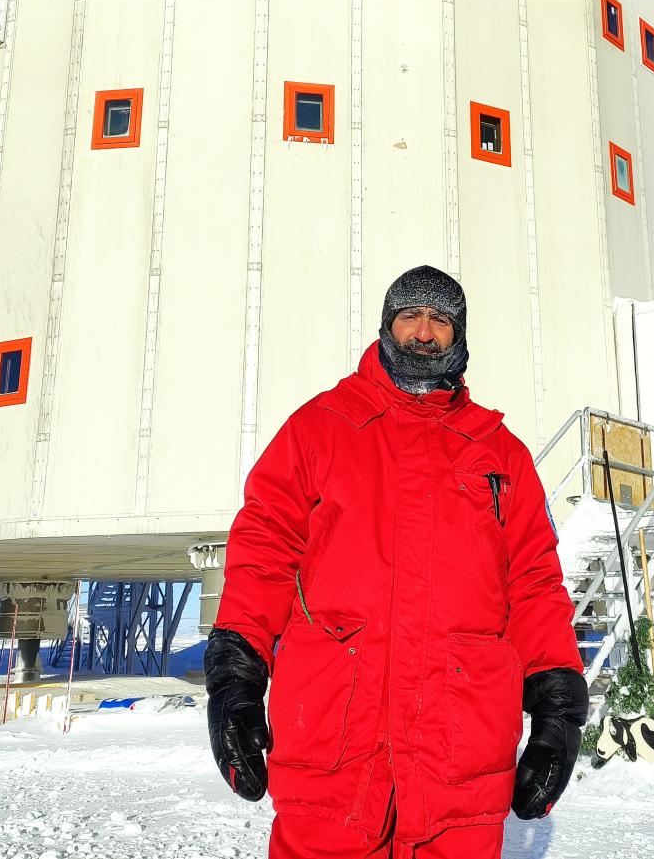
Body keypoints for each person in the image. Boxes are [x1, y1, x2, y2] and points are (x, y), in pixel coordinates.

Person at [205, 265, 588, 859]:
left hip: (458, 748)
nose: (424, 332)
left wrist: (558, 709)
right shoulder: (320, 428)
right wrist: (235, 676)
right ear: (387, 325)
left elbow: (535, 581)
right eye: (410, 315)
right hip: (335, 733)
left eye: (441, 319)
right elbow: (263, 551)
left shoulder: (500, 454)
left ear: (459, 337)